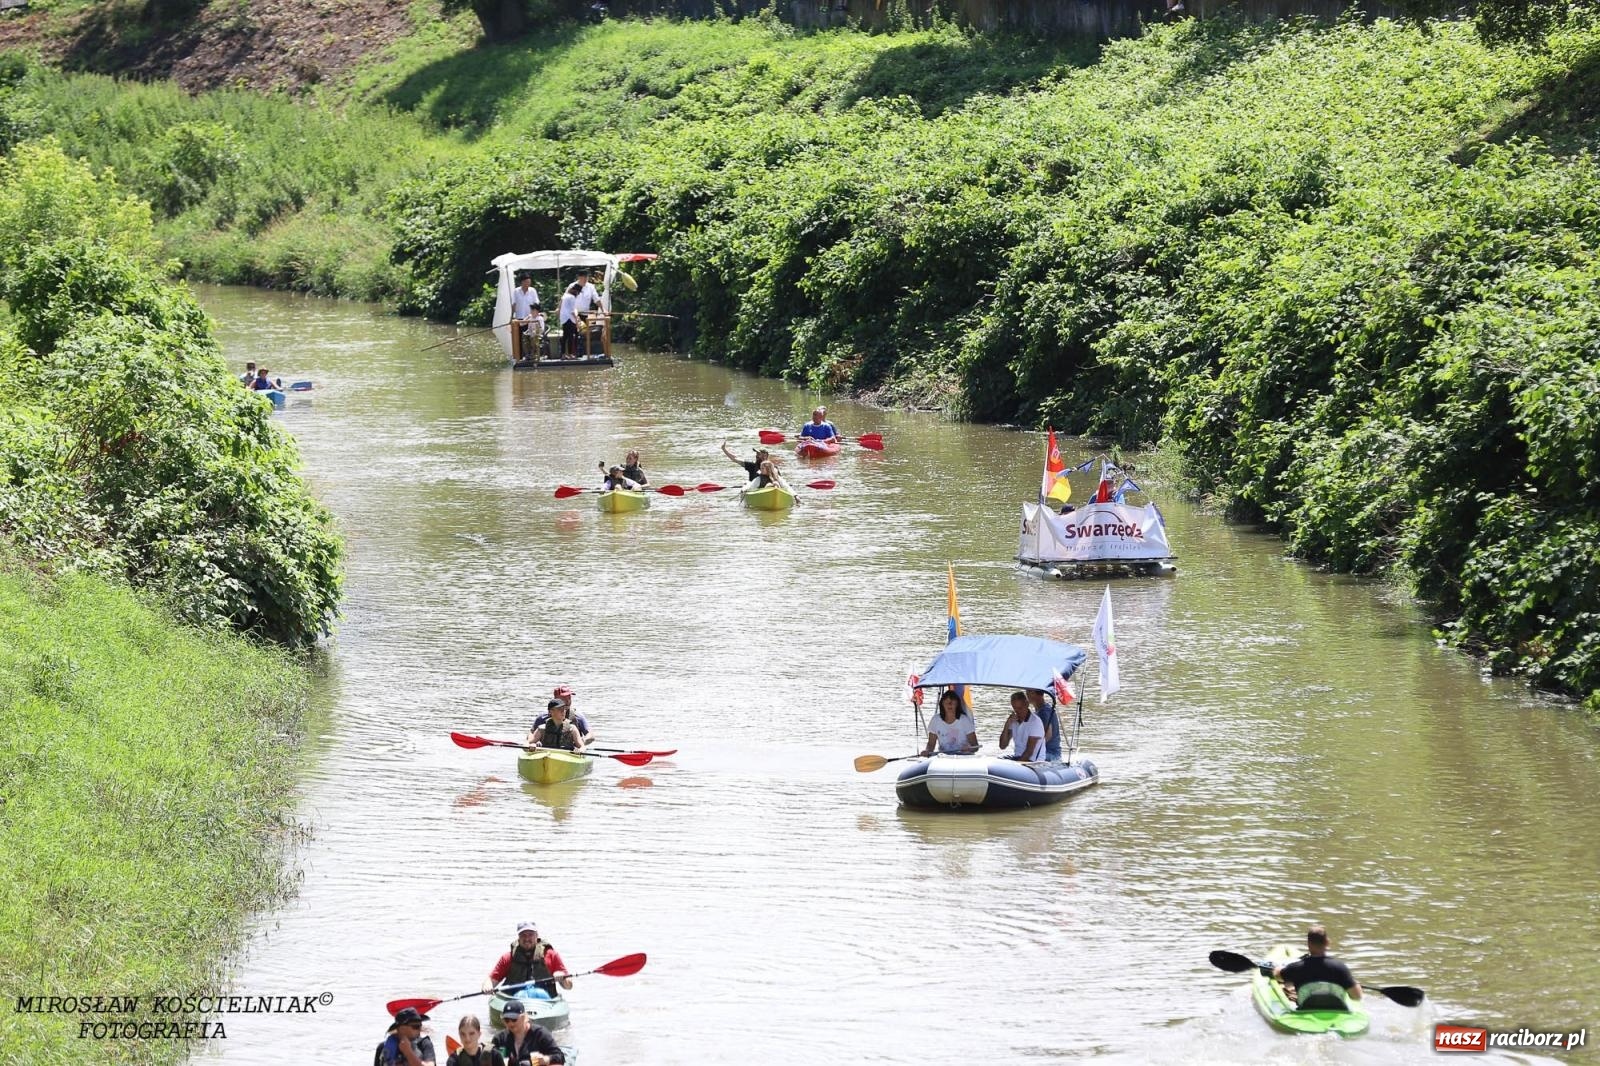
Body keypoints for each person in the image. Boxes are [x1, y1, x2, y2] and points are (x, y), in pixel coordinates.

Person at [1272, 925, 1362, 1010]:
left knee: (1288, 986)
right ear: (1327, 942)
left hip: (1306, 1010)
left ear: (1308, 944)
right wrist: (1353, 982)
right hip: (1337, 1010)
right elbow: (1357, 997)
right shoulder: (1340, 968)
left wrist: (1277, 968)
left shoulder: (1297, 968)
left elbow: (1277, 976)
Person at [483, 921, 574, 998]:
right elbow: (491, 980)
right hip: (514, 1001)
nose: (527, 938)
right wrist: (487, 986)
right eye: (523, 935)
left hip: (544, 1002)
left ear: (536, 936)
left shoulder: (551, 955)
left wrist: (561, 977)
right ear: (518, 937)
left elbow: (569, 986)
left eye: (530, 935)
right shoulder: (507, 958)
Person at [491, 1000, 565, 1066]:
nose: (510, 1023)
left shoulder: (540, 1034)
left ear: (523, 1017)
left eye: (514, 1019)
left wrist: (546, 1059)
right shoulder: (499, 1038)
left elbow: (560, 1056)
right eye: (507, 1020)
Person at [529, 685, 594, 744]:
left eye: (569, 697)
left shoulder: (578, 717)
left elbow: (590, 735)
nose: (568, 701)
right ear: (555, 699)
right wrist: (533, 743)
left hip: (572, 752)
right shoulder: (543, 717)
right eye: (564, 698)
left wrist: (582, 741)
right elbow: (531, 734)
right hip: (545, 751)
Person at [922, 690, 978, 756]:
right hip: (943, 756)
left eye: (952, 702)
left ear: (957, 704)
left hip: (964, 756)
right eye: (947, 702)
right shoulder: (936, 720)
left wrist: (970, 749)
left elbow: (975, 746)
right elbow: (931, 744)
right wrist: (927, 751)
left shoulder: (964, 720)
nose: (949, 705)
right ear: (942, 704)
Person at [720, 441, 786, 490]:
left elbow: (779, 480)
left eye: (758, 454)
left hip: (772, 488)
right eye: (756, 454)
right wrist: (724, 449)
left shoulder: (773, 467)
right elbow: (735, 459)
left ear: (765, 456)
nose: (756, 455)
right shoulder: (752, 465)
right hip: (755, 489)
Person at [998, 690, 1044, 761]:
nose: (1017, 712)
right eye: (1015, 709)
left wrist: (1016, 765)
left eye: (1020, 708)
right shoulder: (1013, 721)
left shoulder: (1035, 722)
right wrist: (1007, 725)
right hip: (1017, 757)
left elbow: (1029, 752)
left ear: (1027, 704)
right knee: (998, 760)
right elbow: (1002, 746)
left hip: (1033, 761)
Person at [1027, 689, 1062, 761]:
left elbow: (1048, 735)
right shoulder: (1039, 711)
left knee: (1027, 756)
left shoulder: (1044, 712)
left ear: (1039, 695)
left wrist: (1032, 750)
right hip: (1046, 752)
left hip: (1051, 753)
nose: (1027, 694)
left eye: (1030, 691)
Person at [558, 282, 580, 358]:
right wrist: (577, 321)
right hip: (569, 319)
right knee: (571, 336)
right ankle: (570, 354)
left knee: (565, 337)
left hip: (564, 318)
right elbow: (572, 311)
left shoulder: (565, 296)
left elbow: (560, 307)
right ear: (576, 291)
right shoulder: (572, 297)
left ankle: (563, 354)